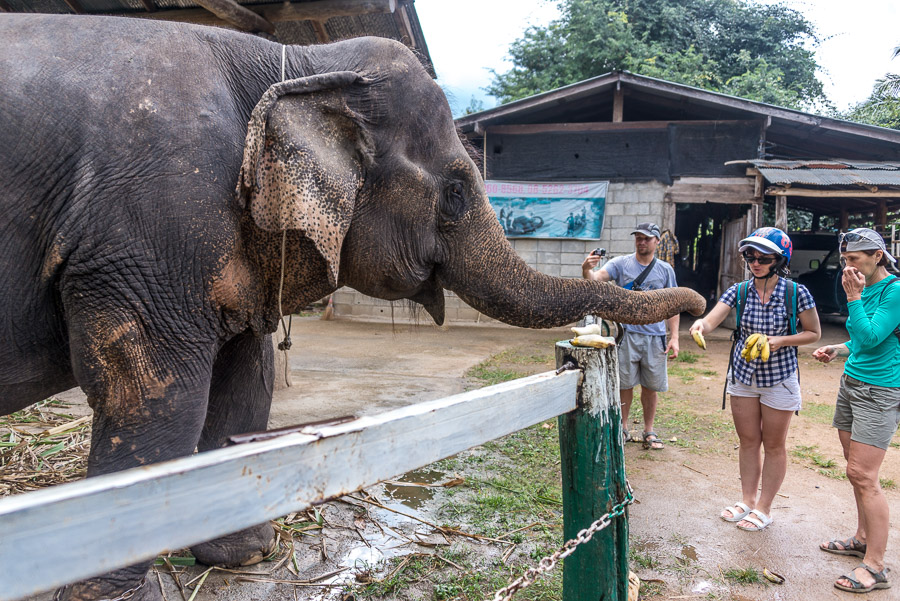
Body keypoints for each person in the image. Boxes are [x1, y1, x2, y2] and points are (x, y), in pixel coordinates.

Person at [689, 227, 820, 532]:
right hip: (743, 375)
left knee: (774, 444)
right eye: (750, 255)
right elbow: (712, 319)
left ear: (779, 260)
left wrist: (779, 341)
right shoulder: (738, 291)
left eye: (763, 257)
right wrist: (700, 326)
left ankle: (764, 508)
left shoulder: (796, 293)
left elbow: (813, 334)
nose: (755, 262)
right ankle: (747, 500)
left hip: (780, 377)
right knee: (748, 441)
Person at [813, 227, 900, 594]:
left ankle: (876, 567)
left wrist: (853, 297)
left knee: (864, 476)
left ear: (877, 256)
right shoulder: (867, 289)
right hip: (852, 384)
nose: (848, 266)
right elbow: (862, 340)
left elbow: (870, 335)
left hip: (879, 392)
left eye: (854, 259)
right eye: (845, 259)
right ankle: (862, 538)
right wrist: (839, 349)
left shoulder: (894, 291)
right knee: (854, 471)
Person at [581, 222, 679, 450]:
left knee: (650, 386)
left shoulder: (665, 270)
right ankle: (623, 428)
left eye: (646, 238)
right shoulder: (621, 264)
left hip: (655, 337)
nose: (641, 241)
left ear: (656, 241)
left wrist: (674, 337)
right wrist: (587, 268)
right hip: (626, 335)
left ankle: (649, 430)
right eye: (638, 237)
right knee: (624, 384)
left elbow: (674, 305)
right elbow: (594, 281)